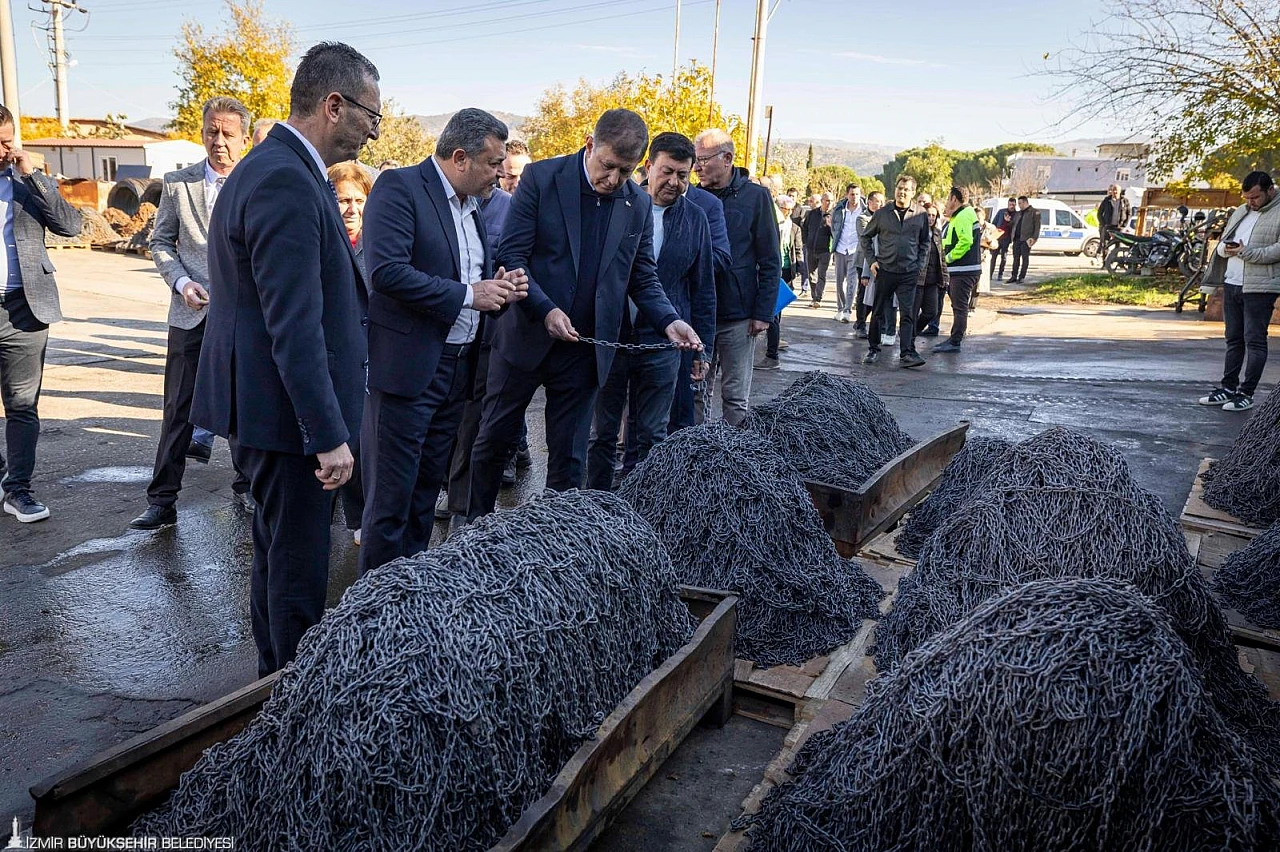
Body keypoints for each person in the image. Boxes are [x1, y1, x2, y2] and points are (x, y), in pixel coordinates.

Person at [190, 41, 381, 676]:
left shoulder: (274, 169)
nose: (374, 131)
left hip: (271, 412)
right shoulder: (285, 181)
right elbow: (293, 328)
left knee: (277, 559)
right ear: (334, 105)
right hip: (289, 422)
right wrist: (328, 437)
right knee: (296, 575)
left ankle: (273, 686)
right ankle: (293, 714)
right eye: (370, 116)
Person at [467, 109, 702, 521]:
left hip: (584, 351)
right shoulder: (542, 180)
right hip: (525, 338)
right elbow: (512, 254)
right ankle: (473, 528)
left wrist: (670, 320)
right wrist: (546, 309)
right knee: (493, 439)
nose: (613, 180)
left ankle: (557, 543)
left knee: (570, 459)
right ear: (590, 145)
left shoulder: (637, 205)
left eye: (625, 172)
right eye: (608, 166)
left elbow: (642, 277)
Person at [359, 109, 525, 574]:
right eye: (493, 163)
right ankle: (372, 616)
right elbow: (386, 272)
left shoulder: (474, 206)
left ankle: (412, 600)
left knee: (424, 497)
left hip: (457, 370)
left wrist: (499, 289)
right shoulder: (399, 188)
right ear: (459, 157)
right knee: (390, 503)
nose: (499, 173)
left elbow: (468, 279)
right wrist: (469, 294)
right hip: (410, 371)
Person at [131, 96, 254, 531]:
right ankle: (162, 501)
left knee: (243, 406)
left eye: (228, 133)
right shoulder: (178, 184)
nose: (218, 141)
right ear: (202, 132)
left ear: (243, 137)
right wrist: (182, 284)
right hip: (190, 315)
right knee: (178, 410)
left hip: (242, 318)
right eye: (211, 132)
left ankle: (247, 486)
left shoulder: (256, 181)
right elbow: (160, 243)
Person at [586, 131, 715, 488]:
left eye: (683, 175)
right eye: (668, 171)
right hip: (612, 338)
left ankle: (641, 509)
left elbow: (703, 290)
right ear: (648, 167)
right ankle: (592, 507)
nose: (675, 182)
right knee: (602, 433)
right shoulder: (616, 206)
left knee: (652, 435)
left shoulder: (695, 220)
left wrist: (703, 349)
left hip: (663, 344)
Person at [0, 104, 82, 523]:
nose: (5, 150)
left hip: (23, 307)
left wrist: (34, 176)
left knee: (22, 403)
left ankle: (18, 490)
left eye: (8, 140)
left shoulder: (26, 180)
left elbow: (72, 226)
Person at [692, 128, 780, 426]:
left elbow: (770, 259)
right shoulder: (692, 197)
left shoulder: (756, 197)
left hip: (740, 316)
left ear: (727, 158)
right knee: (695, 392)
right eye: (696, 160)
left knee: (735, 397)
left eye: (703, 159)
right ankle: (695, 457)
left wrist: (763, 312)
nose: (697, 167)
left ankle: (734, 460)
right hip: (697, 313)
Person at [1197, 170, 1280, 413]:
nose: (1250, 202)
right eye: (1246, 198)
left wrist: (1244, 252)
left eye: (1254, 197)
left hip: (1260, 286)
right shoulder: (1242, 211)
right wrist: (1225, 249)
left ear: (1269, 191)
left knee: (1254, 340)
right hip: (1233, 281)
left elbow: (1276, 251)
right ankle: (1227, 388)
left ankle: (1247, 393)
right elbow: (1225, 240)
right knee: (1233, 338)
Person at [327, 160, 374, 544]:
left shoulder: (376, 242)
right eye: (343, 200)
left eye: (359, 200)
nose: (351, 209)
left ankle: (360, 517)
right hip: (331, 353)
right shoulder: (324, 240)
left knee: (362, 439)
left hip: (371, 353)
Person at [859, 175, 931, 368]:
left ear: (913, 192)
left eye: (906, 189)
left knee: (907, 314)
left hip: (909, 272)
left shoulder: (921, 214)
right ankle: (873, 349)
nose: (902, 192)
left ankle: (907, 352)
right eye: (900, 188)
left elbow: (925, 242)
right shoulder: (882, 213)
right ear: (895, 189)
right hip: (885, 271)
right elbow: (865, 237)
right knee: (878, 312)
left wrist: (919, 265)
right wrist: (872, 261)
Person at [932, 187, 982, 353]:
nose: (947, 201)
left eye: (948, 198)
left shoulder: (963, 215)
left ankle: (955, 341)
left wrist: (947, 259)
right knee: (958, 306)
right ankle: (954, 338)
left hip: (964, 271)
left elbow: (965, 242)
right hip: (962, 270)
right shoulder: (961, 215)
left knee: (960, 307)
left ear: (954, 199)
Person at [830, 183, 864, 323]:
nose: (854, 197)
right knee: (839, 281)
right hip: (840, 249)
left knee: (852, 281)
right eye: (852, 194)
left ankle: (847, 310)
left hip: (855, 250)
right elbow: (834, 225)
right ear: (847, 195)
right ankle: (840, 308)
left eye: (857, 194)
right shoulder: (839, 209)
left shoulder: (864, 210)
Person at [914, 202, 946, 339]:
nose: (931, 218)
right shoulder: (915, 231)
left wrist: (945, 276)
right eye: (928, 215)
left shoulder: (938, 233)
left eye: (934, 215)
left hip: (932, 280)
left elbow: (941, 257)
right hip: (917, 279)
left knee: (932, 312)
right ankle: (909, 340)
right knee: (912, 313)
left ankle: (912, 332)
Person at [855, 190, 884, 339]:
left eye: (881, 201)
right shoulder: (863, 218)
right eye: (877, 201)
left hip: (879, 261)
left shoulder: (884, 218)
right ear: (870, 202)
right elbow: (867, 237)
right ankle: (860, 324)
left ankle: (866, 320)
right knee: (863, 293)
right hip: (863, 260)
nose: (879, 204)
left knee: (875, 294)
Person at [802, 193, 833, 308]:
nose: (829, 203)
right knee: (811, 274)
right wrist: (805, 241)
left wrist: (830, 227)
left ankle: (818, 297)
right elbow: (804, 227)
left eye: (831, 201)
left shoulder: (833, 216)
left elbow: (835, 234)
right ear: (822, 201)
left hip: (825, 250)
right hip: (810, 249)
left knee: (821, 274)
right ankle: (814, 296)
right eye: (827, 200)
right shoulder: (812, 214)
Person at [1008, 196, 1040, 283]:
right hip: (1017, 239)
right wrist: (1008, 221)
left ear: (1025, 202)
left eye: (1020, 203)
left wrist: (1034, 238)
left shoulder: (1034, 212)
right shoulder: (1018, 213)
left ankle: (1021, 277)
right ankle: (1013, 276)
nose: (1019, 205)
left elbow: (1037, 227)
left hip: (1026, 239)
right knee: (1016, 259)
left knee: (1025, 258)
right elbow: (1013, 224)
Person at [1097, 183, 1130, 261]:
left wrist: (1124, 225)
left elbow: (1129, 213)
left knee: (1117, 244)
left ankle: (1115, 260)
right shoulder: (1106, 200)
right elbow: (1099, 213)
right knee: (1105, 244)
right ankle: (1104, 262)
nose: (1114, 192)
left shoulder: (1124, 201)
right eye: (1113, 190)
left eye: (1116, 190)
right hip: (1108, 226)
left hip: (1119, 227)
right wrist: (1103, 224)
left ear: (1120, 191)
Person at [990, 196, 1016, 280]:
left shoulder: (1016, 214)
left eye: (1013, 204)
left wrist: (1009, 222)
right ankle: (990, 273)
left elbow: (1015, 226)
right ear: (1008, 204)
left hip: (1007, 238)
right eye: (1010, 204)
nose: (1011, 206)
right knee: (993, 256)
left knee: (1004, 257)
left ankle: (1000, 274)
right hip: (997, 237)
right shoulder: (1001, 212)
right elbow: (994, 223)